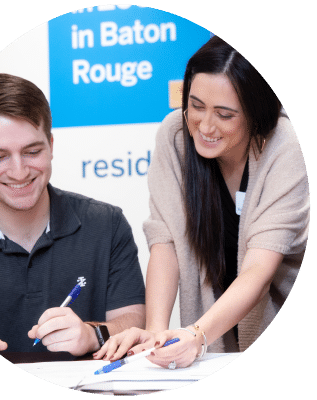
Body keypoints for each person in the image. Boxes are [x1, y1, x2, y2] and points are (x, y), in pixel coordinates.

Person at [94, 36, 309, 368]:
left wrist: (197, 334)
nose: (205, 126)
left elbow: (258, 270)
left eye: (224, 114)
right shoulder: (175, 136)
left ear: (256, 111)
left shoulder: (286, 146)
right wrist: (154, 331)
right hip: (220, 332)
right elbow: (165, 243)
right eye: (196, 106)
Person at [0, 73, 145, 355]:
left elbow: (134, 322)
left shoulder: (106, 224)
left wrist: (93, 335)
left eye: (31, 151)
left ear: (51, 146)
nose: (19, 171)